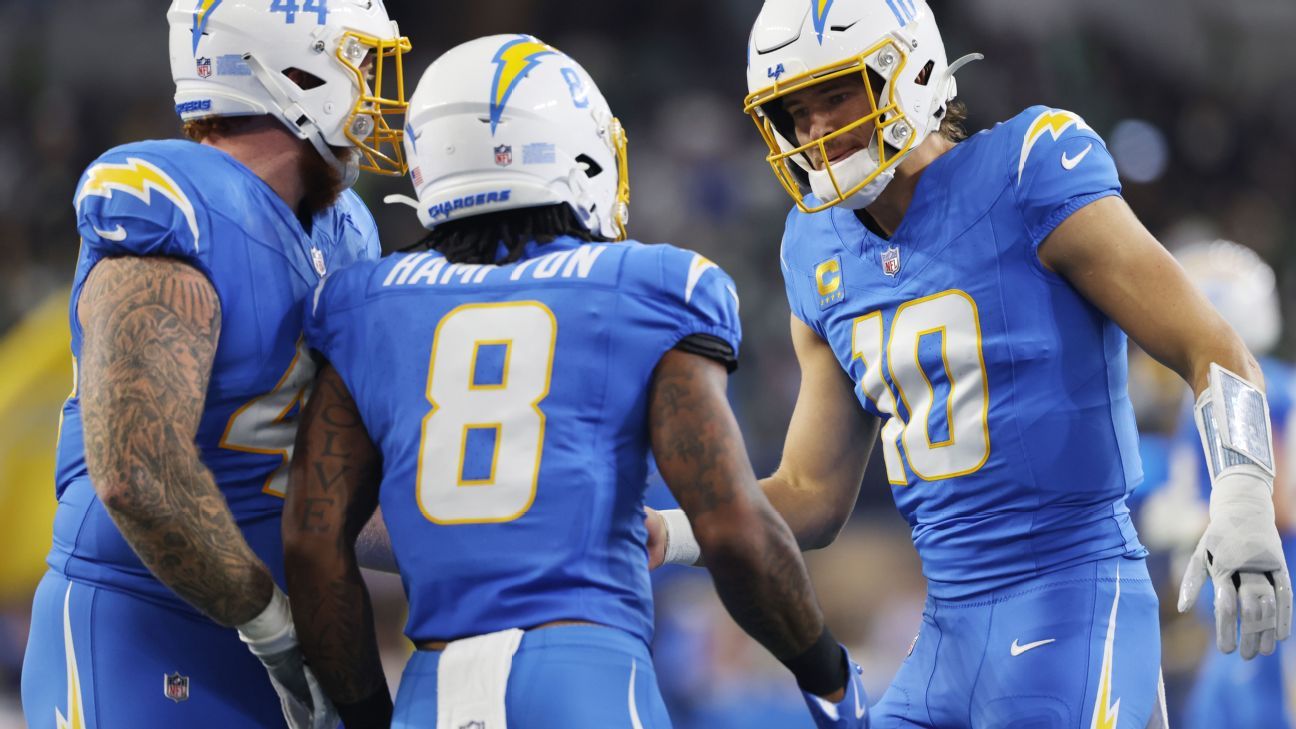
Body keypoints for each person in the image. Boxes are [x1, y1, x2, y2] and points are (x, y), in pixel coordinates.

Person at [649, 0, 1291, 726]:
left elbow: (1212, 347)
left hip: (1071, 596)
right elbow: (810, 491)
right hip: (945, 632)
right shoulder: (814, 246)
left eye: (837, 96)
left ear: (911, 73)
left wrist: (1243, 492)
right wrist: (672, 530)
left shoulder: (1028, 169)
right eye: (797, 112)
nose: (817, 129)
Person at [282, 34, 866, 729]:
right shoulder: (652, 284)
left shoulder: (362, 304)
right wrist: (830, 679)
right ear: (578, 152)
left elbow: (313, 545)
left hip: (432, 685)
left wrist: (368, 716)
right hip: (585, 675)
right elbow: (733, 527)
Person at [20, 1, 410, 727]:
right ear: (293, 73)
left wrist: (485, 535)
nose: (375, 92)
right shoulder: (173, 203)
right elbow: (137, 472)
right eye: (358, 63)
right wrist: (275, 628)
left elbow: (327, 490)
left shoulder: (345, 229)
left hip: (282, 635)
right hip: (143, 634)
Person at [1138, 241, 1296, 729]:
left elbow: (1283, 505)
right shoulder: (1211, 397)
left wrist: (1192, 521)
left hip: (1272, 611)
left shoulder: (1257, 388)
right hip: (1236, 617)